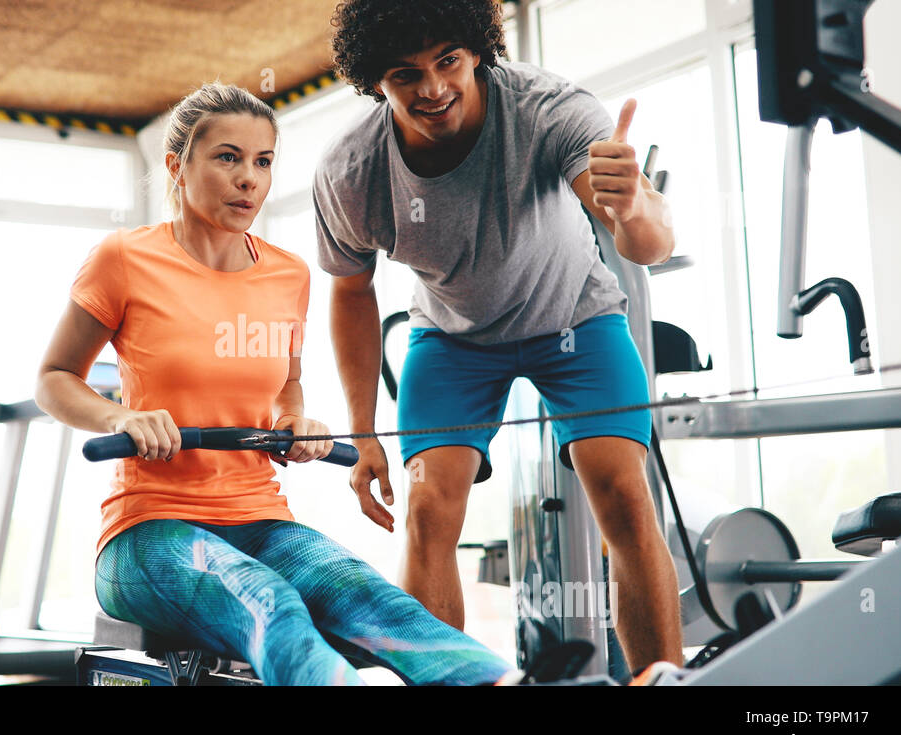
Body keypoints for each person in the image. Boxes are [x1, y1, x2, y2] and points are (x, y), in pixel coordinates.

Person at [34, 82, 513, 685]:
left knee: (372, 598)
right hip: (148, 529)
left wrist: (295, 424)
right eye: (227, 157)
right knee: (269, 602)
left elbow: (287, 386)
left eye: (262, 162)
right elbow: (53, 379)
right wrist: (120, 418)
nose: (249, 180)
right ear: (177, 166)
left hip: (261, 518)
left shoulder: (286, 275)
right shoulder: (124, 259)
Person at [314, 0, 684, 673]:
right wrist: (363, 431)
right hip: (452, 340)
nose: (432, 88)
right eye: (405, 74)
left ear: (479, 50)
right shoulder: (351, 170)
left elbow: (649, 242)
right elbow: (349, 289)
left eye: (447, 61)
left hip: (574, 319)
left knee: (626, 497)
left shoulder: (548, 110)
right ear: (375, 83)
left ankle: (662, 677)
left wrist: (635, 206)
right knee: (426, 509)